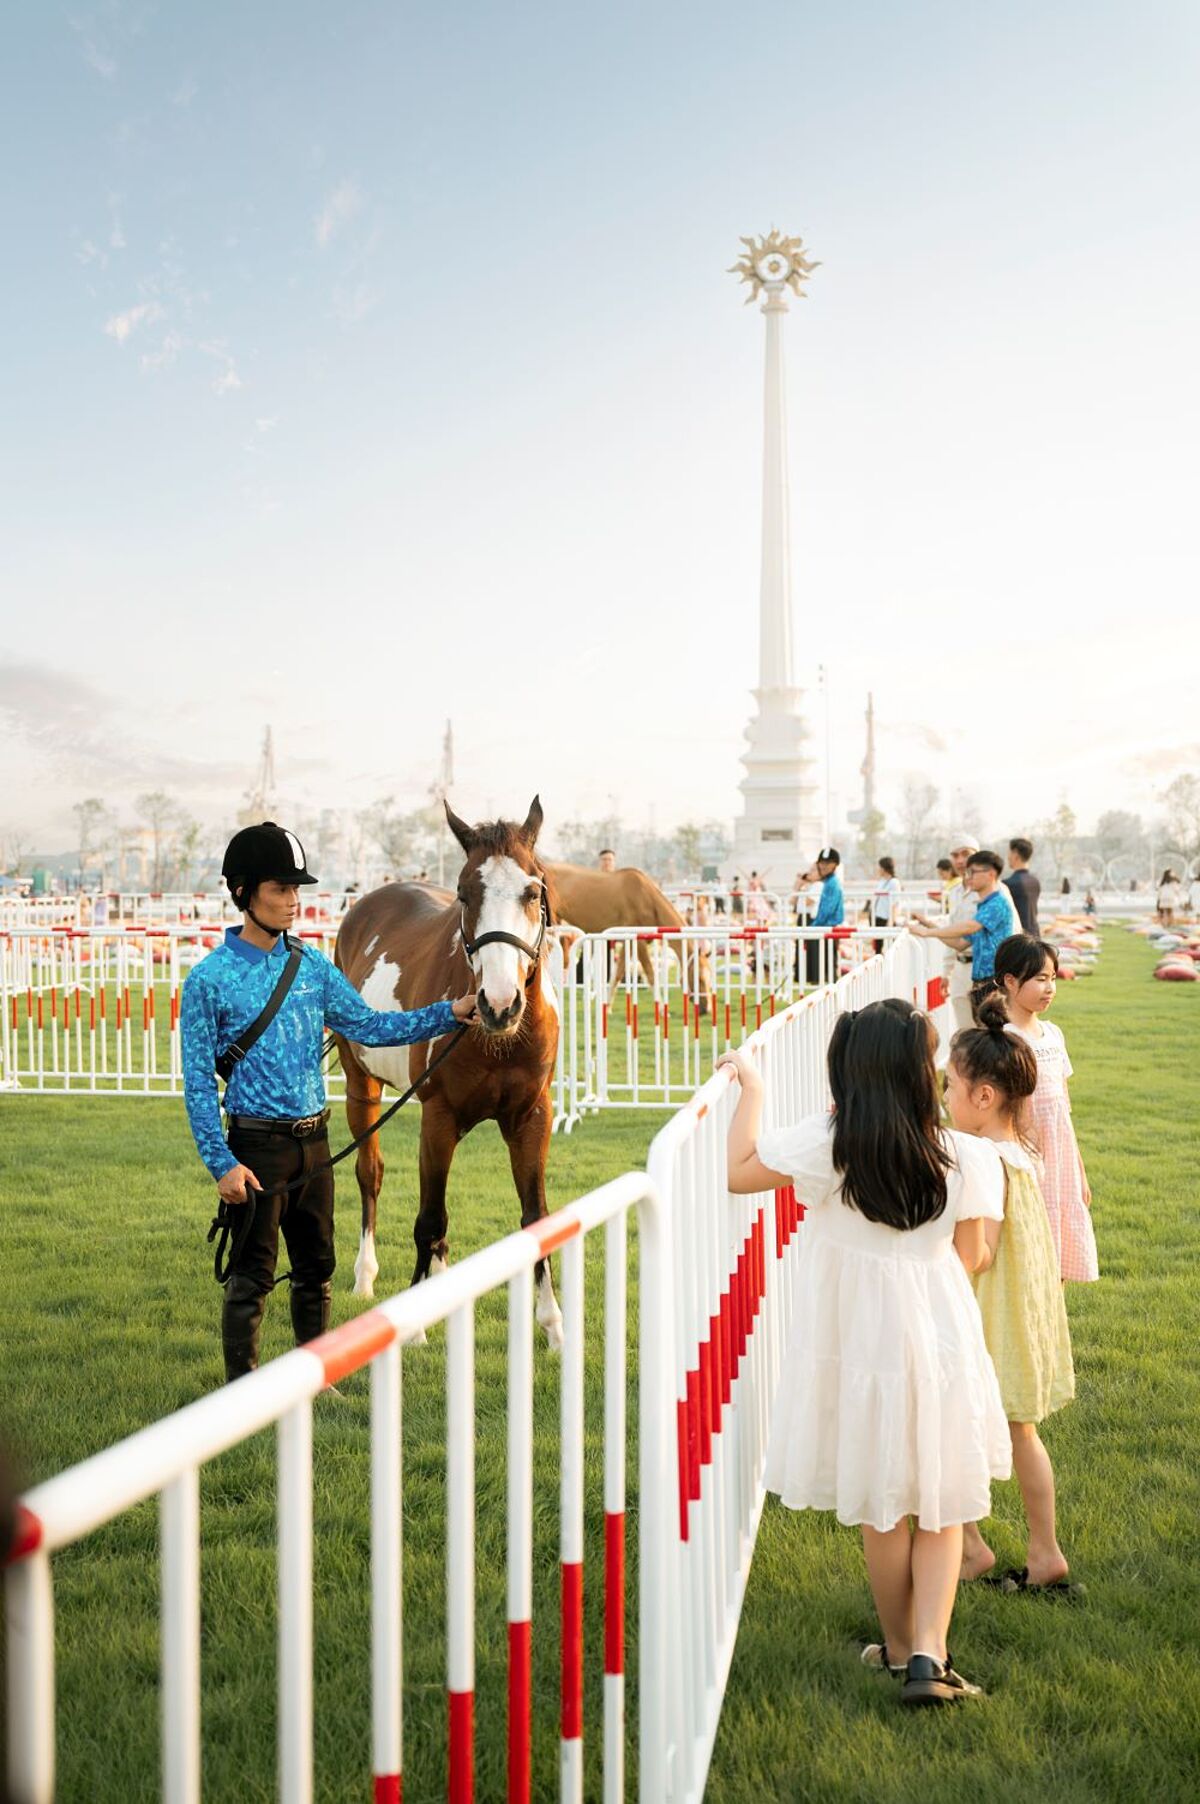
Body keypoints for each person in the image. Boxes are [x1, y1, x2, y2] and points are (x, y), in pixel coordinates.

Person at [718, 999, 1009, 1705]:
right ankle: (931, 1656)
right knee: (938, 1498)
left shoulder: (830, 1144)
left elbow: (740, 1171)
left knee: (884, 1503)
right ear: (919, 1072)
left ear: (849, 1070)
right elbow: (974, 1256)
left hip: (855, 1344)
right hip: (938, 1335)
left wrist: (753, 1088)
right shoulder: (967, 1156)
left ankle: (900, 1649)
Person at [181, 822, 478, 1382]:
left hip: (314, 1143)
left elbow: (369, 1025)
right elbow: (197, 1084)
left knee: (317, 1268)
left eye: (297, 889)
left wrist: (449, 1013)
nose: (293, 901)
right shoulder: (208, 980)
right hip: (256, 1148)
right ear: (242, 891)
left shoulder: (313, 966)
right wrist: (222, 1164)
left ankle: (315, 1381)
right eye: (280, 889)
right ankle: (240, 1394)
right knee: (252, 1276)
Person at [944, 1000, 1076, 1592]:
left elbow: (983, 1253)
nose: (945, 1097)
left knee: (954, 1426)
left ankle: (971, 1548)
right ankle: (1043, 1552)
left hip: (990, 1313)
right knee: (1022, 1432)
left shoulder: (980, 1158)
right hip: (1023, 1311)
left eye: (950, 1086)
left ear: (983, 1096)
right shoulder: (1020, 1148)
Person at [992, 936, 1098, 1286]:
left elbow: (1063, 1108)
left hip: (1060, 1160)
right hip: (1024, 1158)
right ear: (1010, 981)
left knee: (1061, 1248)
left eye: (1052, 978)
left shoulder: (1053, 1034)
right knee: (1031, 1249)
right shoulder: (1003, 1040)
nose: (1050, 988)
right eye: (1040, 979)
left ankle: (1056, 1314)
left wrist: (1079, 1170)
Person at [910, 851, 1015, 1021]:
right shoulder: (983, 907)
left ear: (991, 874)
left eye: (973, 872)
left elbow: (969, 927)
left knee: (995, 1034)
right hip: (982, 982)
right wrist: (928, 925)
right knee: (981, 1032)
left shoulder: (997, 903)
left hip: (995, 982)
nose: (968, 877)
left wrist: (928, 932)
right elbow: (960, 943)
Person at [801, 847, 844, 986]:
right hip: (824, 927)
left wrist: (813, 926)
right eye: (822, 863)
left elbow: (827, 910)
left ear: (835, 865)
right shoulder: (828, 882)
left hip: (828, 928)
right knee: (825, 966)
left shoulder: (832, 883)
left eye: (828, 863)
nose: (824, 866)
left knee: (827, 967)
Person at [1003, 838, 1041, 935]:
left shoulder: (1008, 884)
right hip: (1035, 934)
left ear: (1015, 855)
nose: (1008, 857)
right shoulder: (1035, 881)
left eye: (1010, 853)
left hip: (1019, 937)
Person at [870, 855, 901, 954]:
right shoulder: (882, 882)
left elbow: (895, 902)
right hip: (877, 916)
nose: (878, 870)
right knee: (877, 947)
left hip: (886, 917)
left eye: (879, 867)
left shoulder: (894, 883)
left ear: (884, 868)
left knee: (892, 946)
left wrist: (891, 921)